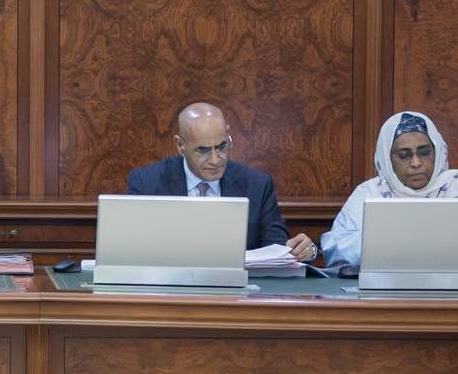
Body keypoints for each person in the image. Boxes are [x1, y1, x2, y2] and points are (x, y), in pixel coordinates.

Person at [320, 110, 458, 275]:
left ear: (438, 153)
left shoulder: (456, 188)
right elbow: (335, 251)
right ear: (386, 160)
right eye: (404, 155)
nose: (416, 163)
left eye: (424, 152)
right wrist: (399, 239)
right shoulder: (370, 193)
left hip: (453, 296)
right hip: (383, 298)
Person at [123, 102, 316, 260]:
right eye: (203, 150)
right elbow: (130, 250)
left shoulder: (257, 185)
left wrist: (301, 251)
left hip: (238, 292)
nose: (215, 160)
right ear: (180, 145)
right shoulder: (146, 184)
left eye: (222, 146)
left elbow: (276, 249)